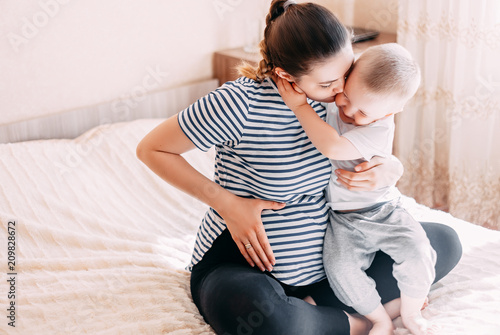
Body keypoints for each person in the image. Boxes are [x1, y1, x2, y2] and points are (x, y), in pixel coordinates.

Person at [136, 1, 462, 334]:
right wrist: (226, 203)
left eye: (345, 75)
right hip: (245, 264)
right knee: (256, 313)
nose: (340, 94)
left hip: (330, 264)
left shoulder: (344, 101)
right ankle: (356, 322)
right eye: (327, 85)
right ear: (286, 76)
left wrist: (392, 167)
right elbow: (152, 149)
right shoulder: (238, 104)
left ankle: (315, 314)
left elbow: (374, 139)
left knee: (443, 242)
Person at [277, 43, 437, 335]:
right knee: (341, 270)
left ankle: (411, 311)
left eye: (363, 111)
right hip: (343, 220)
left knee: (418, 251)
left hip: (383, 211)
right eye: (346, 96)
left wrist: (299, 107)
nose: (348, 111)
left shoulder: (380, 128)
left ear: (393, 111)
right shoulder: (336, 101)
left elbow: (332, 146)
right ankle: (378, 318)